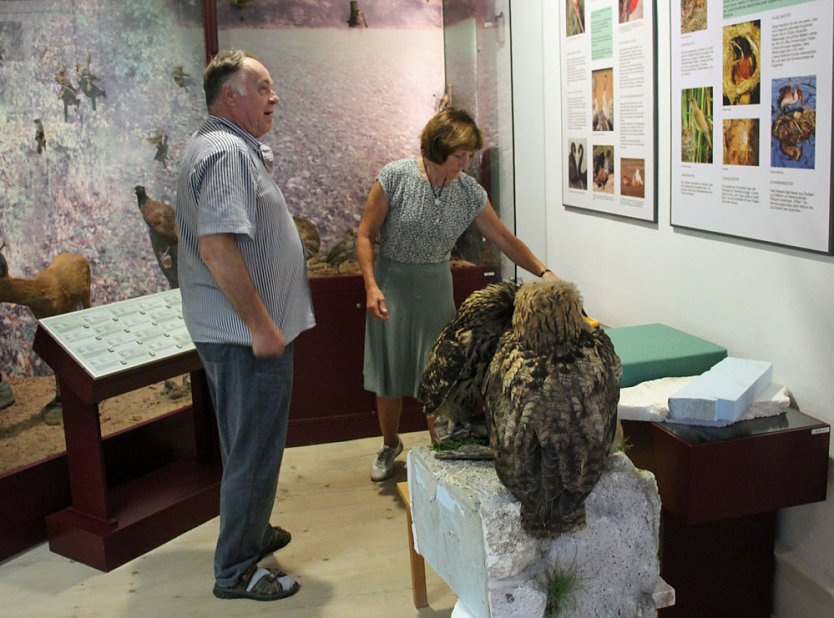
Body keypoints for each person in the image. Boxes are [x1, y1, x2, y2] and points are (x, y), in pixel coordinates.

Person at [176, 49, 314, 601]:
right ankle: (235, 570)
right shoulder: (226, 152)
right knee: (255, 453)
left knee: (245, 446)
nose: (273, 96)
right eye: (262, 86)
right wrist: (261, 326)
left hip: (235, 334)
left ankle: (252, 532)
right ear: (229, 95)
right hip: (243, 338)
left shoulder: (220, 147)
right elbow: (216, 248)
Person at [357, 108, 557, 482]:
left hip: (435, 286)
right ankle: (389, 444)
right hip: (392, 284)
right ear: (437, 147)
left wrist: (543, 272)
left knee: (440, 373)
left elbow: (504, 239)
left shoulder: (468, 193)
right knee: (388, 373)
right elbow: (365, 235)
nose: (465, 164)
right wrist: (371, 285)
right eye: (459, 156)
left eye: (469, 156)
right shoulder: (395, 177)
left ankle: (440, 450)